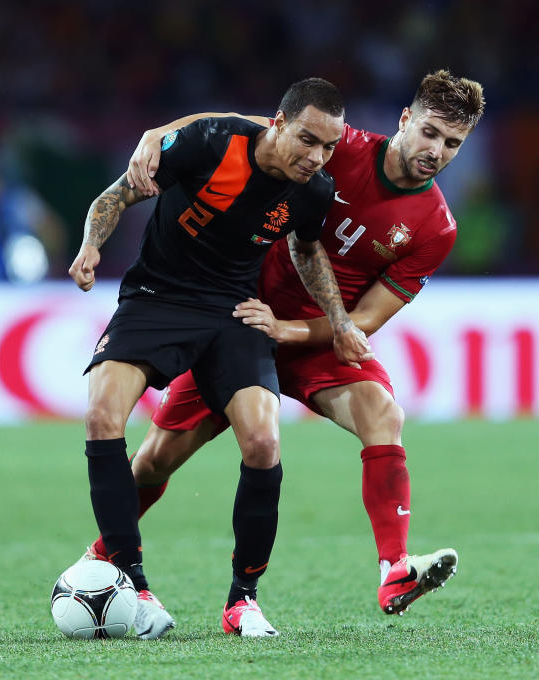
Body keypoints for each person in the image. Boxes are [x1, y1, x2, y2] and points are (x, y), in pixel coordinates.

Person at [85, 70, 486, 627]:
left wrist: (291, 330)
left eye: (452, 144)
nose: (436, 151)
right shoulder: (335, 145)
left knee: (383, 415)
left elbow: (362, 322)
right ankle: (104, 556)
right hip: (239, 318)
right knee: (155, 459)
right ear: (405, 121)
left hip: (311, 338)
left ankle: (393, 566)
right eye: (431, 132)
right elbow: (245, 129)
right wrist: (159, 134)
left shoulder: (435, 227)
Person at [69, 77, 372, 640]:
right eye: (307, 140)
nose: (316, 157)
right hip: (156, 298)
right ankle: (131, 582)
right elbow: (114, 196)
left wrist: (339, 322)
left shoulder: (314, 191)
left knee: (263, 441)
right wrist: (91, 246)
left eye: (328, 147)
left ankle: (243, 602)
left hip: (234, 311)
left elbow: (306, 251)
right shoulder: (213, 142)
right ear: (277, 123)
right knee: (101, 417)